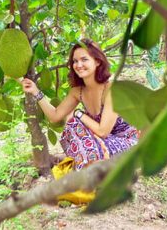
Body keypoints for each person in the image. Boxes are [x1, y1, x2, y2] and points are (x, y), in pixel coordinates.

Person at [21, 38, 139, 171]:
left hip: (127, 143)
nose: (78, 65)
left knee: (76, 123)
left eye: (84, 59)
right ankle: (88, 171)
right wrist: (35, 91)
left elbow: (103, 131)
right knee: (73, 126)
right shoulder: (78, 91)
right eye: (75, 61)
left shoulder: (111, 89)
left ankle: (91, 172)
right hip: (102, 143)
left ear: (97, 61)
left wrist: (78, 113)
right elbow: (54, 116)